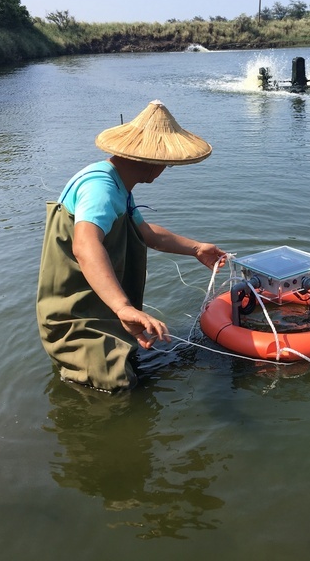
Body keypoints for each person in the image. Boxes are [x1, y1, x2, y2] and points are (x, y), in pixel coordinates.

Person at [37, 100, 225, 392]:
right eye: (165, 161)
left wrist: (196, 248)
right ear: (151, 160)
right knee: (116, 388)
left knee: (130, 368)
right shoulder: (100, 188)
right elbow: (85, 246)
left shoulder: (117, 185)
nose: (166, 168)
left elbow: (147, 233)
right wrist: (123, 307)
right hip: (78, 317)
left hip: (100, 306)